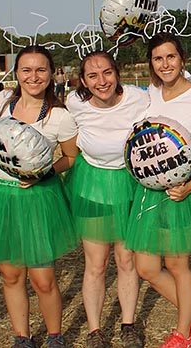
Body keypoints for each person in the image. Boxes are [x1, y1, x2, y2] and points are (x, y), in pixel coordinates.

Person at [0, 45, 79, 348]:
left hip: (36, 199)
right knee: (11, 276)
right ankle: (22, 337)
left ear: (51, 73)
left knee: (43, 280)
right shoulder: (0, 102)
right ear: (17, 72)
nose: (33, 77)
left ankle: (55, 336)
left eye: (41, 70)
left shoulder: (59, 116)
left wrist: (43, 174)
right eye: (26, 70)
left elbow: (70, 157)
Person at [125, 32, 191, 348]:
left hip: (180, 192)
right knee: (146, 268)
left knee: (178, 265)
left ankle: (182, 334)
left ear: (182, 59)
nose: (165, 64)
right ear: (151, 63)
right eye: (158, 58)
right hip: (149, 192)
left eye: (170, 57)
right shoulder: (148, 95)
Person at [64, 51, 149, 348]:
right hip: (92, 186)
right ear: (83, 81)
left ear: (117, 73)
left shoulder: (139, 98)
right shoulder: (74, 103)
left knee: (126, 260)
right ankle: (95, 331)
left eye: (107, 73)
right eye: (92, 75)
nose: (101, 81)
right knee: (96, 264)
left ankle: (128, 325)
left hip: (129, 184)